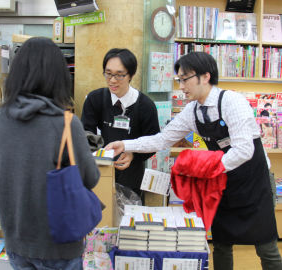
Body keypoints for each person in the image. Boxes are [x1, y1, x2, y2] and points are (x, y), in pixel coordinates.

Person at [106, 52, 282, 270]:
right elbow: (163, 139)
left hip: (253, 183)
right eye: (179, 79)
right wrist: (126, 145)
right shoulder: (193, 111)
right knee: (221, 243)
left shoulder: (232, 102)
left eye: (185, 79)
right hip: (222, 184)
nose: (181, 85)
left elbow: (245, 150)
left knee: (266, 246)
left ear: (205, 77)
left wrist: (209, 167)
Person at [0, 37, 100, 270]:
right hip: (60, 243)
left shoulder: (0, 119)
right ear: (58, 76)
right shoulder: (67, 124)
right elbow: (91, 178)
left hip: (16, 242)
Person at [81, 48, 160, 196]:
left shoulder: (145, 106)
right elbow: (86, 133)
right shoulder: (95, 99)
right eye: (108, 73)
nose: (112, 80)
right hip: (100, 174)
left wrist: (133, 155)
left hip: (132, 176)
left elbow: (154, 141)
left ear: (131, 75)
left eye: (119, 75)